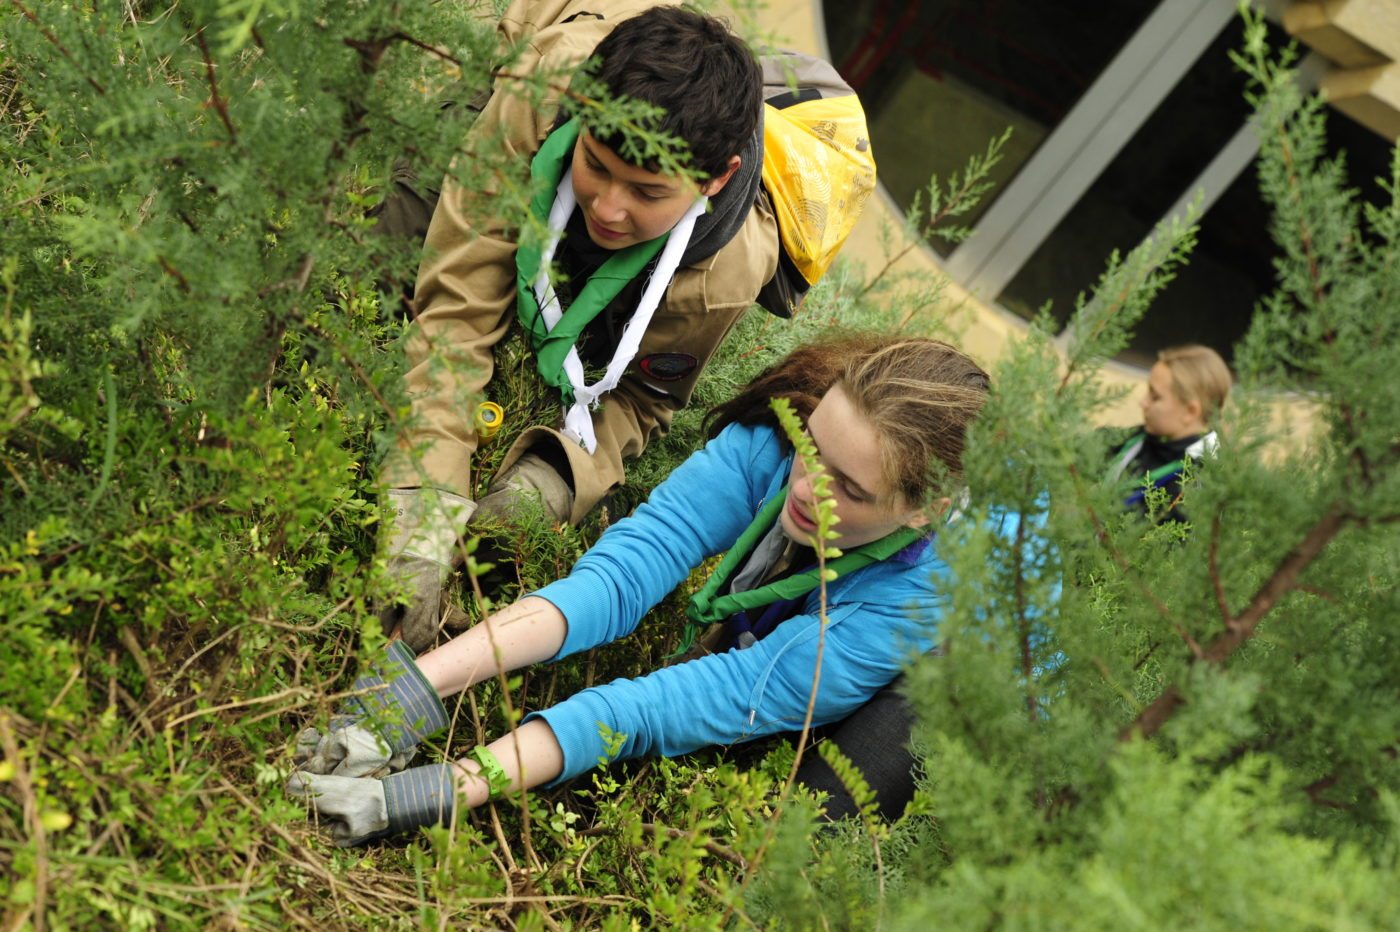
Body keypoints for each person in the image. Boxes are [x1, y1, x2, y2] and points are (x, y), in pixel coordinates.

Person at [287, 335, 996, 845]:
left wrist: (445, 790)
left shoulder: (926, 595)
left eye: (850, 488)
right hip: (859, 568)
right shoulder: (787, 434)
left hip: (954, 673)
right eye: (813, 449)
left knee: (814, 827)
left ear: (924, 507)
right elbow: (625, 575)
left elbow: (681, 702)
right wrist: (406, 693)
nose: (807, 487)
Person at [379, 0, 780, 653]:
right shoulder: (544, 86)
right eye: (596, 166)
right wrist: (421, 506)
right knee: (385, 254)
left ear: (715, 179)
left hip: (678, 263)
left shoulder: (724, 274)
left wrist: (552, 481)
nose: (609, 207)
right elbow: (459, 302)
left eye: (647, 192)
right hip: (528, 111)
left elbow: (643, 402)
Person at [1104, 344, 1232, 522]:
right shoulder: (1146, 439)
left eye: (1155, 396)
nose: (1143, 402)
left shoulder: (1200, 485)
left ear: (1190, 412)